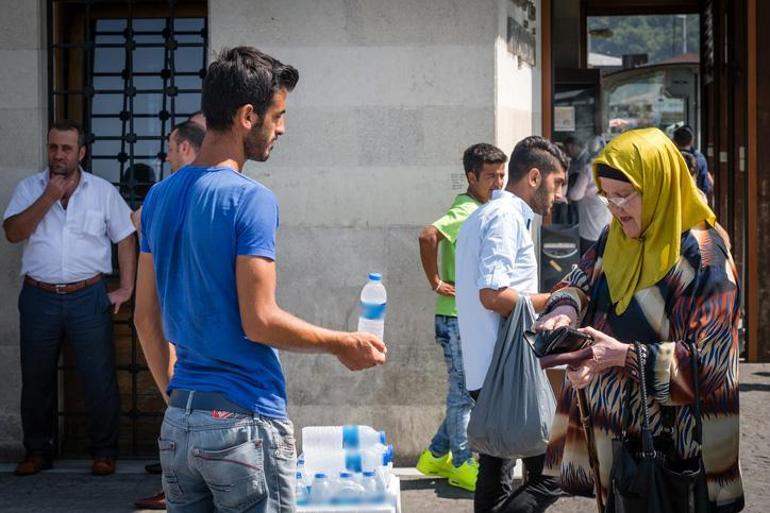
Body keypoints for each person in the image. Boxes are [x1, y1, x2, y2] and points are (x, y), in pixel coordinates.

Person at [134, 46, 387, 513]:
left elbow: (145, 318)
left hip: (180, 424)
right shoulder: (250, 200)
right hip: (242, 423)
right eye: (279, 115)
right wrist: (341, 343)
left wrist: (179, 398)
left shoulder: (157, 199)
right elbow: (260, 321)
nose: (283, 128)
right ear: (248, 116)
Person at [535, 128, 744, 512]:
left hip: (677, 452)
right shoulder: (615, 235)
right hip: (617, 447)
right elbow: (579, 281)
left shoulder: (705, 257)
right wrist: (565, 310)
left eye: (625, 195)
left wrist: (621, 357)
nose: (614, 207)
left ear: (660, 185)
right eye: (607, 195)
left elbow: (711, 367)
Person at [3, 120, 137, 476]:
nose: (58, 155)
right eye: (53, 148)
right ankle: (37, 451)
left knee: (98, 377)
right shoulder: (29, 187)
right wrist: (47, 197)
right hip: (39, 296)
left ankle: (104, 451)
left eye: (66, 149)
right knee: (36, 378)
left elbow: (125, 236)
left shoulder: (102, 191)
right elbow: (13, 233)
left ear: (81, 153)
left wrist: (126, 288)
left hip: (87, 295)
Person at [455, 136, 568, 513]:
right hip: (509, 372)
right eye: (558, 183)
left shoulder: (484, 215)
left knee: (495, 472)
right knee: (549, 476)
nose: (561, 195)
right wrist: (559, 299)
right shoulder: (505, 218)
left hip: (490, 368)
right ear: (535, 177)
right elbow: (494, 295)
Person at [415, 143, 507, 492]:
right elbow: (428, 236)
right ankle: (461, 462)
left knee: (465, 392)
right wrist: (435, 281)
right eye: (490, 176)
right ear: (471, 177)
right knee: (462, 394)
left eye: (501, 174)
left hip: (464, 318)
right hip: (454, 318)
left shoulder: (482, 207)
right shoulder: (467, 209)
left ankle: (436, 455)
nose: (498, 182)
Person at [132, 119, 206, 511]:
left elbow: (144, 317)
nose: (165, 154)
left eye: (170, 146)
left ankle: (174, 487)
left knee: (178, 410)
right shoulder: (226, 195)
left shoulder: (163, 197)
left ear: (184, 148)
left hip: (174, 326)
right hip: (213, 342)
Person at [131, 120, 206, 231]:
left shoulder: (158, 193)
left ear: (184, 148)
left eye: (170, 149)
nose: (167, 158)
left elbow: (147, 248)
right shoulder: (223, 187)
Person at [567, 135, 611, 255]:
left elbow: (575, 195)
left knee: (589, 262)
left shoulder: (588, 169)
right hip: (608, 227)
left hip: (590, 229)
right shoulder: (611, 169)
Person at [673, 125, 713, 197]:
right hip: (695, 199)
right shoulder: (699, 158)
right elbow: (705, 186)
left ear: (674, 142)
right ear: (692, 141)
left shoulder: (671, 158)